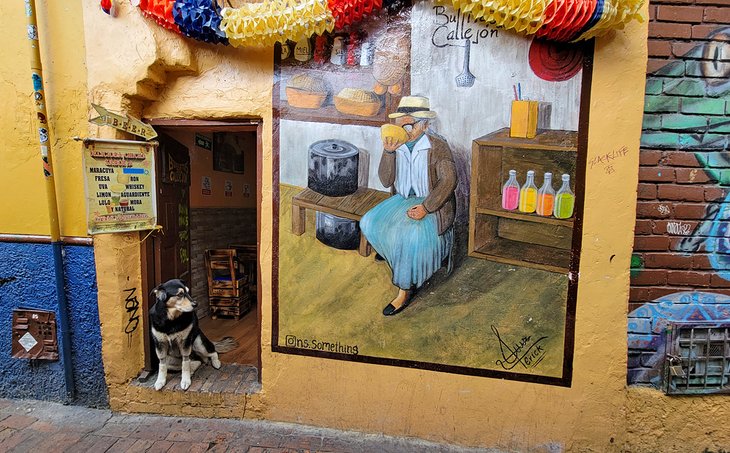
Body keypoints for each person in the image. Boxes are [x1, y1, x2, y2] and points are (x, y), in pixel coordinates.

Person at [360, 96, 457, 316]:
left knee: (409, 236)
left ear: (424, 125)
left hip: (432, 203)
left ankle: (404, 291)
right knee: (369, 221)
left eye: (409, 125)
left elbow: (449, 181)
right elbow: (386, 180)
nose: (403, 130)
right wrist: (388, 152)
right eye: (400, 124)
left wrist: (426, 207)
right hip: (403, 198)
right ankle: (389, 251)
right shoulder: (396, 144)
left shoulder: (438, 146)